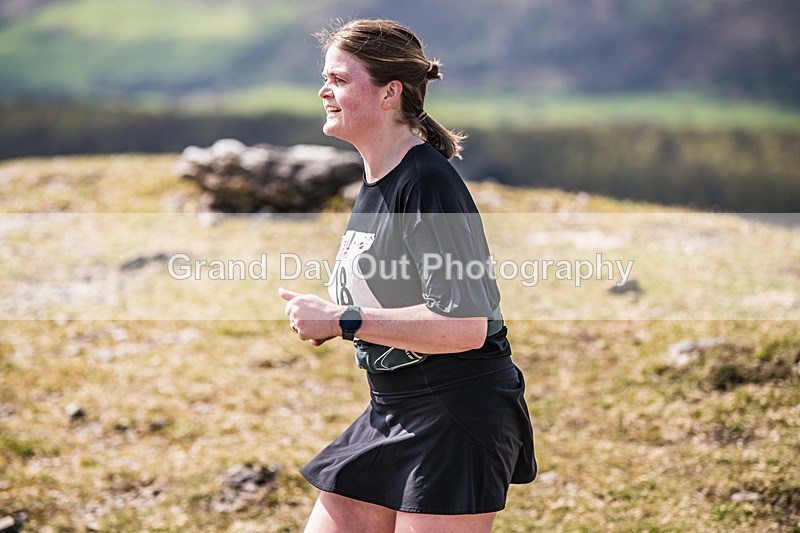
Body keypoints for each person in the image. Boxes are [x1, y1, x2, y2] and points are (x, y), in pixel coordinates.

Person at [279, 18, 536, 533]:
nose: (323, 90)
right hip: (391, 408)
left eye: (341, 79)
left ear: (389, 92)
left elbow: (467, 326)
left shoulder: (427, 183)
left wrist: (343, 320)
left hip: (455, 415)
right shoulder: (378, 180)